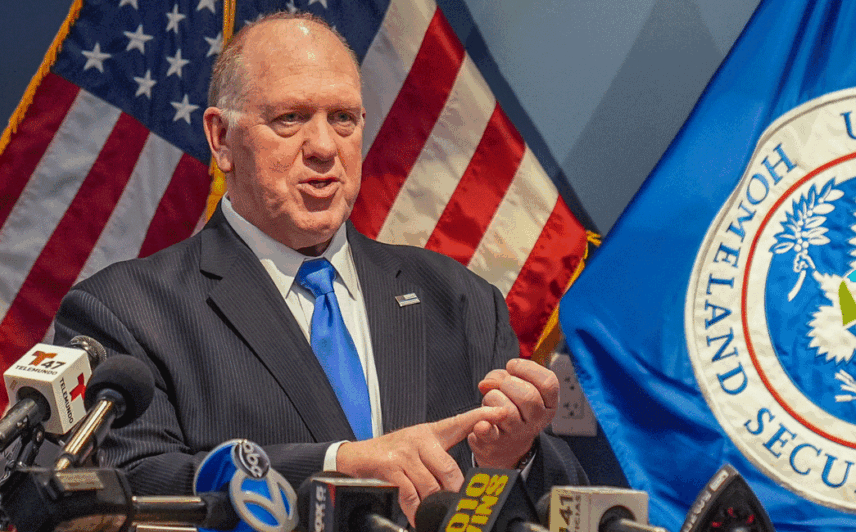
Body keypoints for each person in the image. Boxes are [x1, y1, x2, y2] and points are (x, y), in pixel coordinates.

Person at [53, 11, 586, 524]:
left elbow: (567, 505)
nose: (325, 148)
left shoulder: (461, 301)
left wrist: (512, 459)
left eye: (343, 118)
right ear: (221, 139)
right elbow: (129, 488)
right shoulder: (126, 311)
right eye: (290, 118)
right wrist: (338, 466)